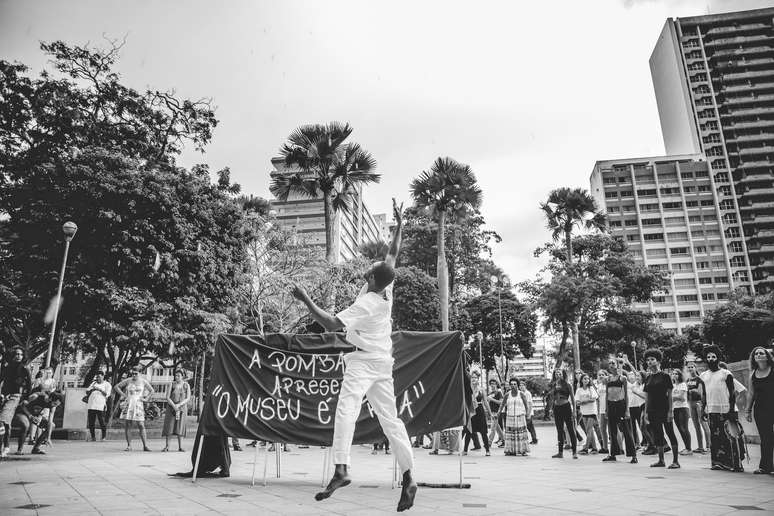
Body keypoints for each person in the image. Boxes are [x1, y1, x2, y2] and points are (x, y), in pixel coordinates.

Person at [291, 199, 416, 513]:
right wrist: (400, 226)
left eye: (369, 273)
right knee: (392, 422)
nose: (367, 272)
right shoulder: (387, 286)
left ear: (373, 281)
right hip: (383, 362)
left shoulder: (370, 302)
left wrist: (306, 299)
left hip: (363, 361)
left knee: (346, 410)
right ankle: (409, 475)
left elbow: (333, 324)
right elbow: (393, 253)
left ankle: (341, 469)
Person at [699, 345, 743, 472]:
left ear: (718, 358)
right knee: (715, 437)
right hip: (712, 410)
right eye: (708, 357)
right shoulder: (703, 375)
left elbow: (732, 393)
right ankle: (717, 462)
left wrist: (730, 409)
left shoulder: (726, 373)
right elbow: (704, 394)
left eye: (713, 356)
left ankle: (735, 463)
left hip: (727, 409)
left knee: (730, 436)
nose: (711, 359)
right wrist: (703, 410)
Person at [642, 349, 680, 469]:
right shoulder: (648, 378)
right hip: (652, 410)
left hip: (664, 409)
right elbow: (647, 396)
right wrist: (646, 412)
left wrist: (670, 411)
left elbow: (670, 395)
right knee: (658, 434)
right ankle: (661, 460)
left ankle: (675, 461)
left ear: (658, 361)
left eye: (652, 359)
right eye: (648, 360)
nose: (649, 362)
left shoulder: (665, 376)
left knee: (670, 433)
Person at [745, 346, 774, 474]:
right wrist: (747, 410)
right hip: (761, 409)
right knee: (765, 437)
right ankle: (766, 466)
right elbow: (751, 394)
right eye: (756, 353)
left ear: (767, 356)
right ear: (754, 358)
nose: (758, 355)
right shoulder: (753, 374)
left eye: (761, 353)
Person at [602, 356, 637, 463]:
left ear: (617, 365)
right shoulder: (607, 379)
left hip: (621, 405)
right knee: (612, 431)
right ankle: (613, 454)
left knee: (626, 430)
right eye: (610, 364)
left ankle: (633, 455)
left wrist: (626, 410)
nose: (611, 365)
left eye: (613, 363)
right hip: (611, 405)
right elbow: (607, 394)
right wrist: (606, 410)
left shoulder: (623, 378)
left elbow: (626, 395)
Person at [0, 347, 32, 458]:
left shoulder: (24, 369)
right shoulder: (7, 368)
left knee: (3, 421)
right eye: (16, 354)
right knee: (6, 424)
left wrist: (26, 398)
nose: (18, 356)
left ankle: (13, 448)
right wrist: (3, 394)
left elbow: (29, 385)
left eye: (21, 354)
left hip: (16, 397)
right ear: (13, 355)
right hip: (5, 397)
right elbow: (2, 381)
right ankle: (5, 447)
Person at [114, 366, 154, 452]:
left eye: (136, 373)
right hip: (129, 403)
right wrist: (124, 395)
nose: (134, 375)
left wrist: (146, 399)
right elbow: (116, 387)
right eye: (132, 373)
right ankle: (129, 445)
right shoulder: (128, 380)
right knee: (128, 424)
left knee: (141, 424)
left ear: (140, 373)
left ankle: (145, 445)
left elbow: (152, 390)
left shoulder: (143, 381)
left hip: (138, 404)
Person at [13, 391, 64, 455]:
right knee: (26, 425)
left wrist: (48, 438)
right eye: (54, 404)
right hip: (22, 413)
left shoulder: (53, 406)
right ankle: (19, 450)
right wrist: (30, 416)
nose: (54, 406)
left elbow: (50, 423)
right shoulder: (36, 396)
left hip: (34, 416)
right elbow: (22, 405)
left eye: (57, 405)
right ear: (50, 399)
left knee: (52, 426)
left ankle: (36, 449)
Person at [498, 377, 531, 456]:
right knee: (510, 435)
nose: (513, 386)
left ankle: (523, 450)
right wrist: (498, 412)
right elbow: (502, 404)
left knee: (521, 435)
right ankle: (510, 450)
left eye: (515, 384)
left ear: (518, 385)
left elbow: (527, 405)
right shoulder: (507, 394)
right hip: (510, 417)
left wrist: (528, 415)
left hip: (520, 417)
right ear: (509, 385)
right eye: (511, 384)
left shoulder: (521, 394)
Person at [549, 369, 577, 459]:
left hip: (566, 407)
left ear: (562, 375)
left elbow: (573, 399)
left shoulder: (568, 385)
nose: (558, 375)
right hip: (557, 408)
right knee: (559, 430)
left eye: (559, 373)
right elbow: (552, 398)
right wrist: (551, 409)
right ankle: (560, 452)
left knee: (571, 429)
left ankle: (574, 452)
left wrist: (574, 411)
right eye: (556, 373)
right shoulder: (553, 385)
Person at [162, 369, 190, 452]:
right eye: (176, 375)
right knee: (169, 426)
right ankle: (167, 446)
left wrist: (179, 405)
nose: (176, 377)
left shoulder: (186, 385)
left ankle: (180, 446)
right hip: (171, 407)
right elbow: (167, 397)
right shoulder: (172, 384)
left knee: (180, 426)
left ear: (182, 376)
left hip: (181, 408)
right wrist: (174, 406)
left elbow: (188, 398)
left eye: (179, 376)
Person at [463, 372, 490, 456]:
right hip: (471, 411)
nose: (474, 379)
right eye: (472, 377)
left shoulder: (481, 390)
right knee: (469, 431)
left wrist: (490, 413)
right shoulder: (468, 389)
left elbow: (485, 402)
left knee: (483, 432)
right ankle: (465, 450)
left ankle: (487, 450)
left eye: (475, 377)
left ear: (478, 379)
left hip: (480, 411)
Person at [685, 362, 709, 453]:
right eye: (689, 367)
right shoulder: (687, 380)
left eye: (692, 367)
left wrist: (691, 390)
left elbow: (700, 393)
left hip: (699, 403)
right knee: (696, 426)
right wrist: (691, 391)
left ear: (695, 368)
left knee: (704, 424)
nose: (690, 368)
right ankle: (700, 446)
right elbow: (686, 392)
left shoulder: (699, 380)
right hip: (691, 403)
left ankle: (708, 446)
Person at [576, 373, 602, 454]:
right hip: (584, 413)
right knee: (589, 431)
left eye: (587, 379)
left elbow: (593, 399)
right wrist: (585, 401)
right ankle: (594, 448)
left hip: (592, 412)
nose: (586, 380)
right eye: (584, 379)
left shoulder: (591, 388)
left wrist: (583, 401)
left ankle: (586, 448)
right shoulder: (579, 390)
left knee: (589, 429)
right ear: (581, 380)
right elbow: (577, 402)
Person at [670, 369, 692, 455]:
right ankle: (686, 447)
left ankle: (689, 448)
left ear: (680, 375)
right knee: (680, 429)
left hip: (683, 408)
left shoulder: (683, 385)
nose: (674, 375)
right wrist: (674, 397)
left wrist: (672, 397)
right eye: (673, 374)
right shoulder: (672, 386)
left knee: (684, 428)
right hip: (675, 408)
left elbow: (682, 397)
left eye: (676, 374)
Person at [86, 370, 112, 441]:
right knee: (91, 422)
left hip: (101, 405)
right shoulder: (93, 383)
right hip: (91, 405)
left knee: (102, 421)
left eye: (99, 377)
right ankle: (93, 437)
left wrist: (99, 389)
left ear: (103, 377)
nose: (98, 379)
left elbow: (107, 394)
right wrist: (91, 389)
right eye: (97, 377)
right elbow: (87, 391)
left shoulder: (107, 384)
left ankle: (103, 437)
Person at [518, 380, 538, 444]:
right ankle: (534, 439)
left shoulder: (527, 393)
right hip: (523, 412)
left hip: (528, 413)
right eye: (520, 386)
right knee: (530, 427)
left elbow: (530, 404)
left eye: (522, 385)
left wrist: (528, 414)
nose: (521, 387)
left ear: (525, 386)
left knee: (526, 427)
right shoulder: (520, 393)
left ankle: (528, 440)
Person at [486, 379, 505, 447]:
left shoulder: (499, 392)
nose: (492, 385)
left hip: (497, 412)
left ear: (496, 384)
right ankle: (504, 440)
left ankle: (489, 443)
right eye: (491, 384)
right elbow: (488, 403)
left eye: (494, 383)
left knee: (493, 428)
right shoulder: (490, 393)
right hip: (492, 412)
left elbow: (501, 402)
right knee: (497, 428)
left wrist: (492, 399)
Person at [594, 370, 609, 454]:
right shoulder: (599, 386)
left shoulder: (609, 385)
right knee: (602, 429)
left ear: (606, 376)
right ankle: (605, 447)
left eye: (602, 374)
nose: (601, 376)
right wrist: (598, 411)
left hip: (609, 409)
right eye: (599, 375)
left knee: (612, 430)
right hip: (601, 410)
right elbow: (598, 400)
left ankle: (619, 448)